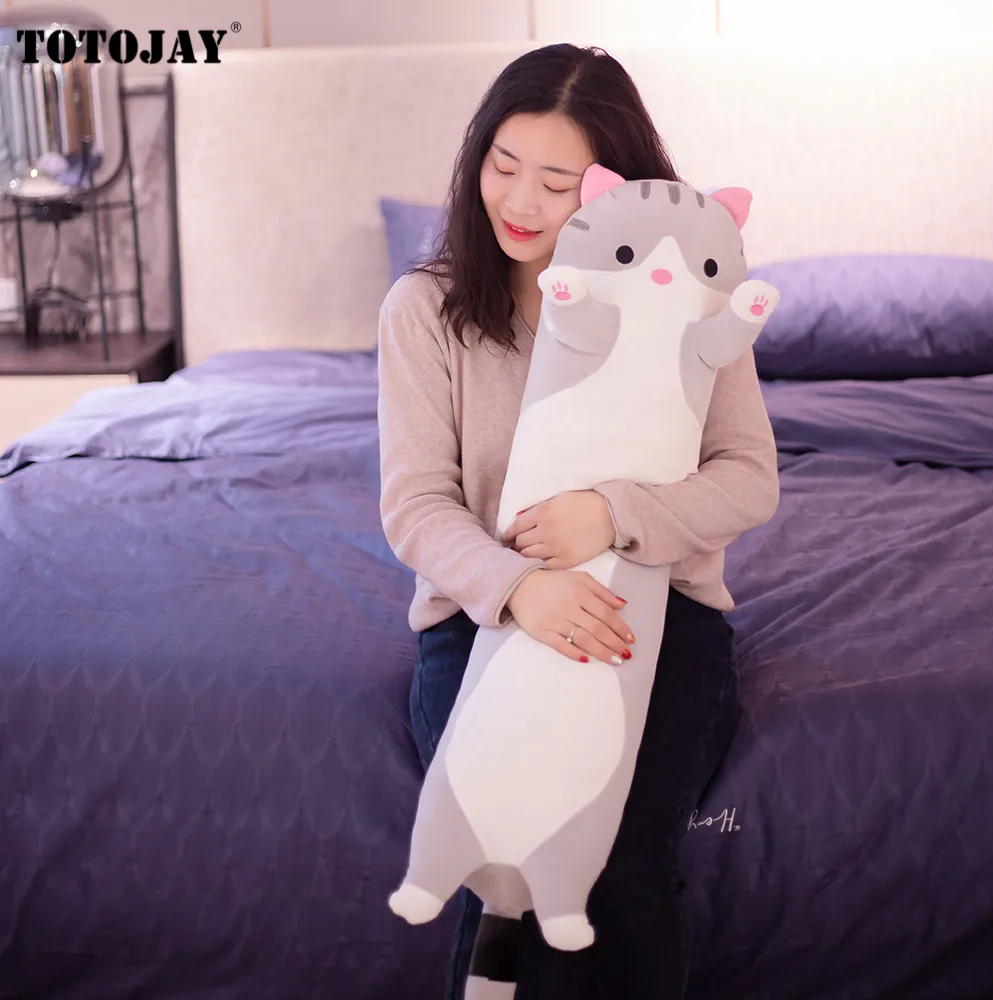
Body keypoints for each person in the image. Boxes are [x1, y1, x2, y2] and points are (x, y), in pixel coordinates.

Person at [377, 43, 779, 1000]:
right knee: (501, 858)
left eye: (557, 184)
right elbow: (416, 505)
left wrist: (613, 515)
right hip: (482, 618)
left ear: (608, 188)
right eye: (503, 165)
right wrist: (521, 588)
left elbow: (748, 478)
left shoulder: (691, 295)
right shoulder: (425, 309)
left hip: (659, 616)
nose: (519, 202)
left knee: (619, 859)